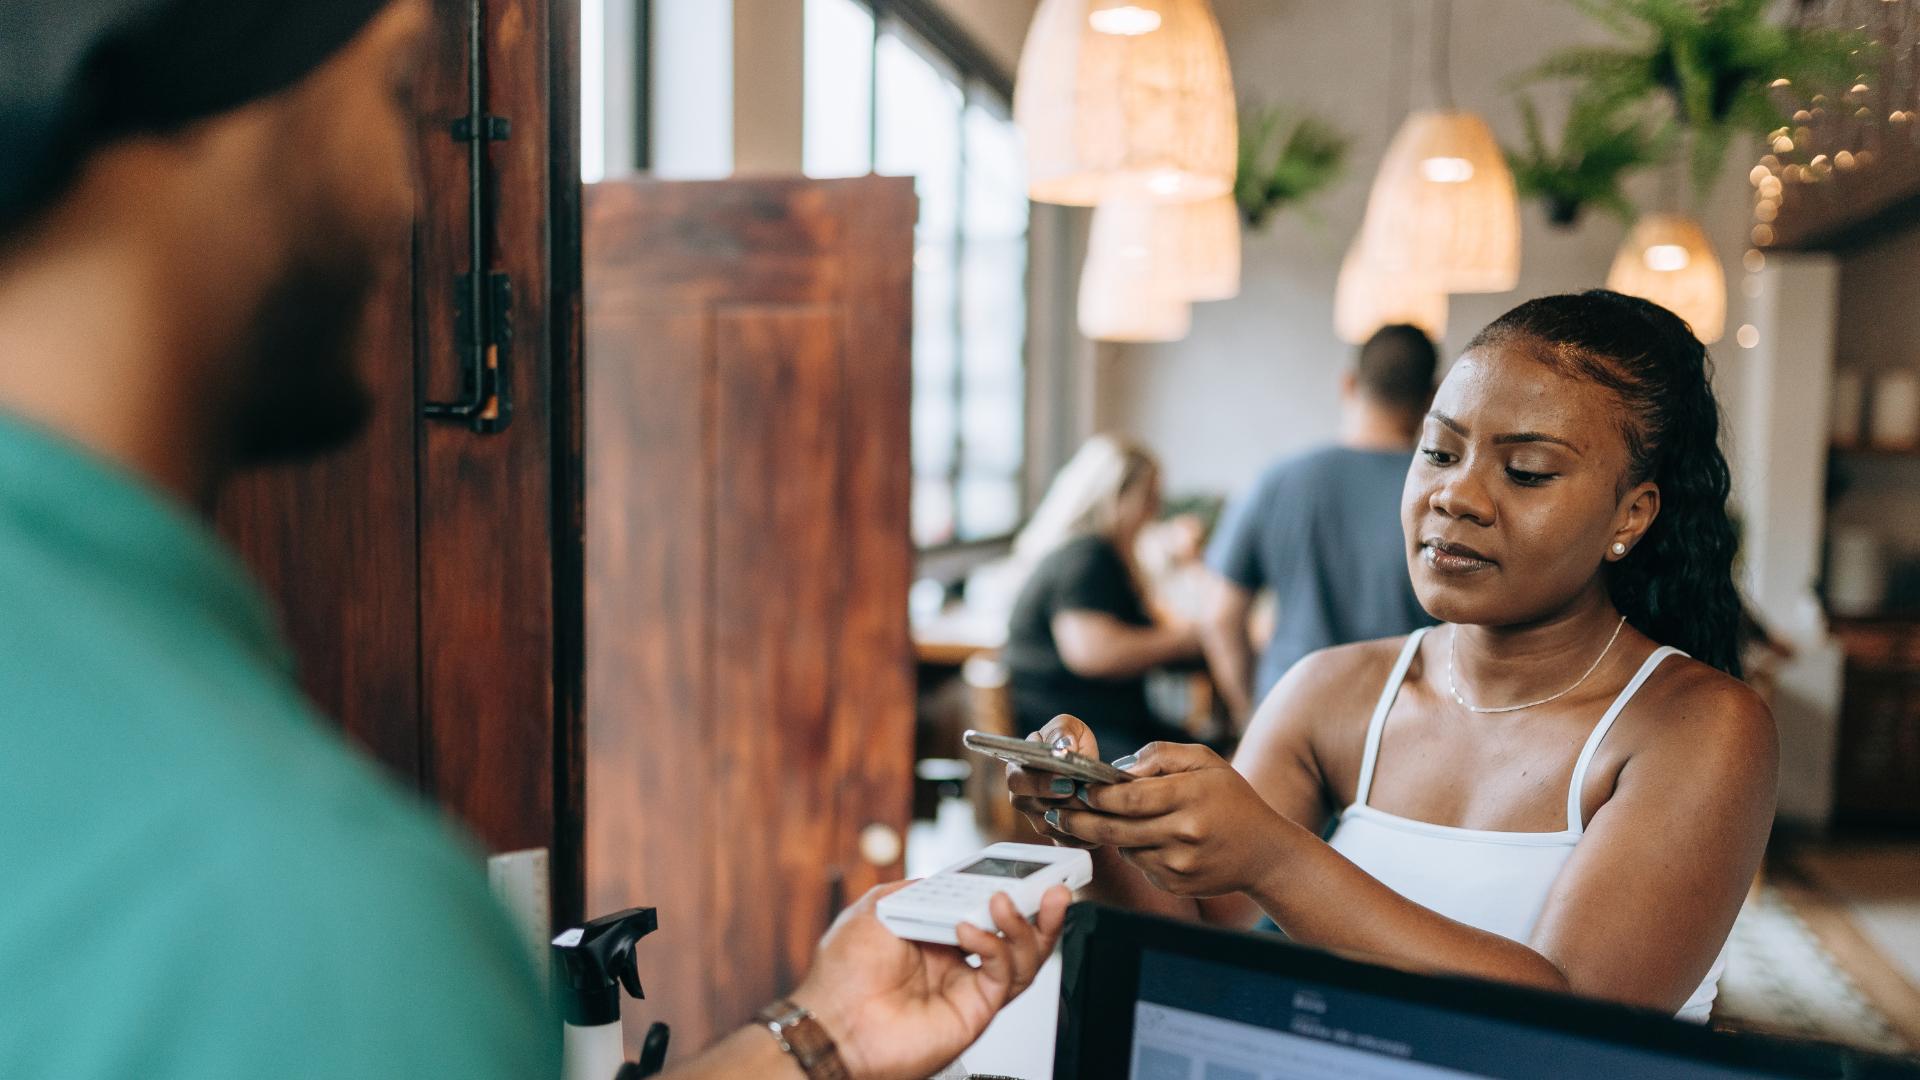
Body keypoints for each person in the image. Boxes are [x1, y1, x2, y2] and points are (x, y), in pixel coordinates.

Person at [0, 3, 1066, 1079]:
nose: (404, 195)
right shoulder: (303, 921)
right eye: (390, 91)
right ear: (205, 74)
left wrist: (821, 1037)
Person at [1009, 292, 1777, 1023]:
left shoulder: (1700, 727)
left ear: (1632, 513)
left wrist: (1275, 858)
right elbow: (1200, 929)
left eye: (1527, 471)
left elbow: (1572, 1028)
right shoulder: (1333, 691)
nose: (1456, 496)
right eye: (1440, 451)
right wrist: (1098, 830)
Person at [1201, 324, 1441, 724]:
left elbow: (1220, 615)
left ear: (1348, 383)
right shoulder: (1443, 493)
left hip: (1290, 715)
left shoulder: (1281, 479)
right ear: (1433, 396)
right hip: (1401, 721)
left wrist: (1251, 713)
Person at [1001, 435, 1202, 761]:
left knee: (1208, 755)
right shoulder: (1087, 557)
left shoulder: (1087, 554)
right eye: (1149, 496)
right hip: (1071, 736)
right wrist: (1187, 640)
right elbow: (1092, 653)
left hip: (1084, 723)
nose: (1156, 509)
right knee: (1212, 764)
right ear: (1117, 496)